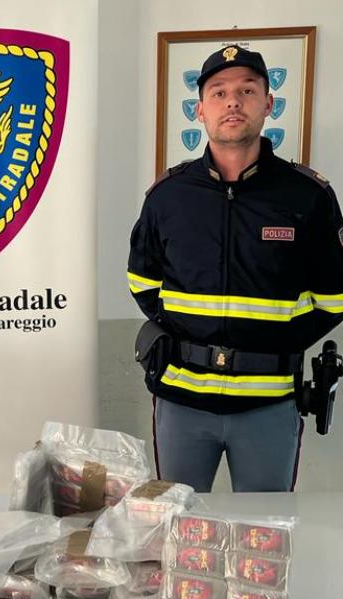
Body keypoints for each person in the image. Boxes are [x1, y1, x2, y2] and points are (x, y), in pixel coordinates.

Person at [128, 45, 343, 492]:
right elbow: (143, 281)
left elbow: (334, 297)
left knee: (265, 526)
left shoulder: (307, 196)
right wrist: (187, 336)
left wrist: (277, 342)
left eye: (247, 90)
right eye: (219, 92)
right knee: (180, 521)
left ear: (268, 104)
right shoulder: (168, 195)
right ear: (200, 110)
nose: (233, 102)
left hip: (269, 402)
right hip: (182, 400)